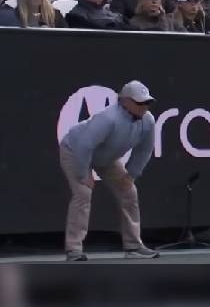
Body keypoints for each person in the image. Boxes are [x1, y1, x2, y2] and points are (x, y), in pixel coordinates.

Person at [59, 80, 160, 261]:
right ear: (124, 101)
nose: (144, 107)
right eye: (139, 103)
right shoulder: (108, 118)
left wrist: (131, 174)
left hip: (106, 158)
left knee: (129, 192)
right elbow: (84, 146)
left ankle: (133, 247)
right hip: (75, 151)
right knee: (83, 194)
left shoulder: (148, 121)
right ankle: (74, 250)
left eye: (147, 102)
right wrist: (84, 174)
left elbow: (144, 150)